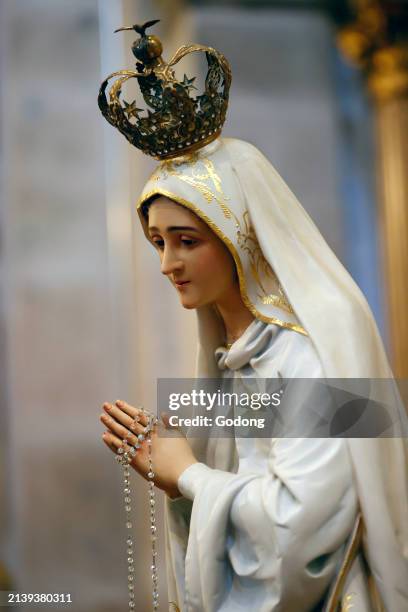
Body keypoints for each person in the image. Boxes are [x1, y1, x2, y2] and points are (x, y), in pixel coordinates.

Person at [98, 21, 408, 612]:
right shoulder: (234, 354)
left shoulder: (308, 355)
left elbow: (303, 539)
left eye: (186, 240)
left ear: (238, 236)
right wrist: (168, 462)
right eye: (158, 241)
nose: (168, 263)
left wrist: (185, 474)